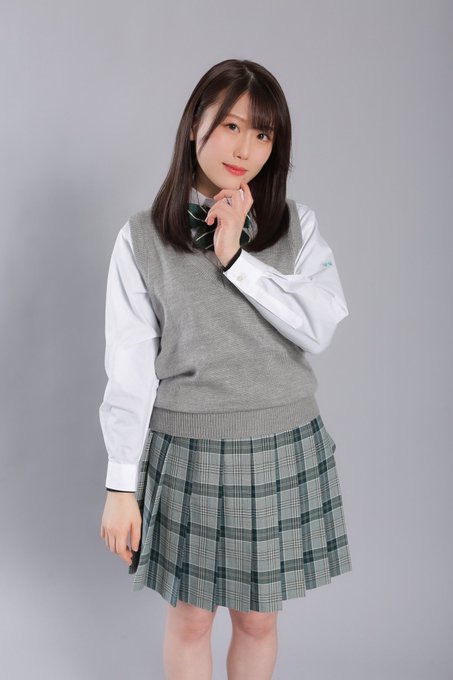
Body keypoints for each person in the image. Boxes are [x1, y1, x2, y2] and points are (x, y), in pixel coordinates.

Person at [99, 58, 352, 680]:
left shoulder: (297, 226)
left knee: (258, 620)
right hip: (188, 447)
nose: (245, 149)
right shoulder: (140, 239)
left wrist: (236, 258)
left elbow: (319, 326)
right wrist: (120, 485)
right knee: (190, 621)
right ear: (195, 125)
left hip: (280, 443)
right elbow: (130, 368)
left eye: (262, 134)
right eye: (232, 126)